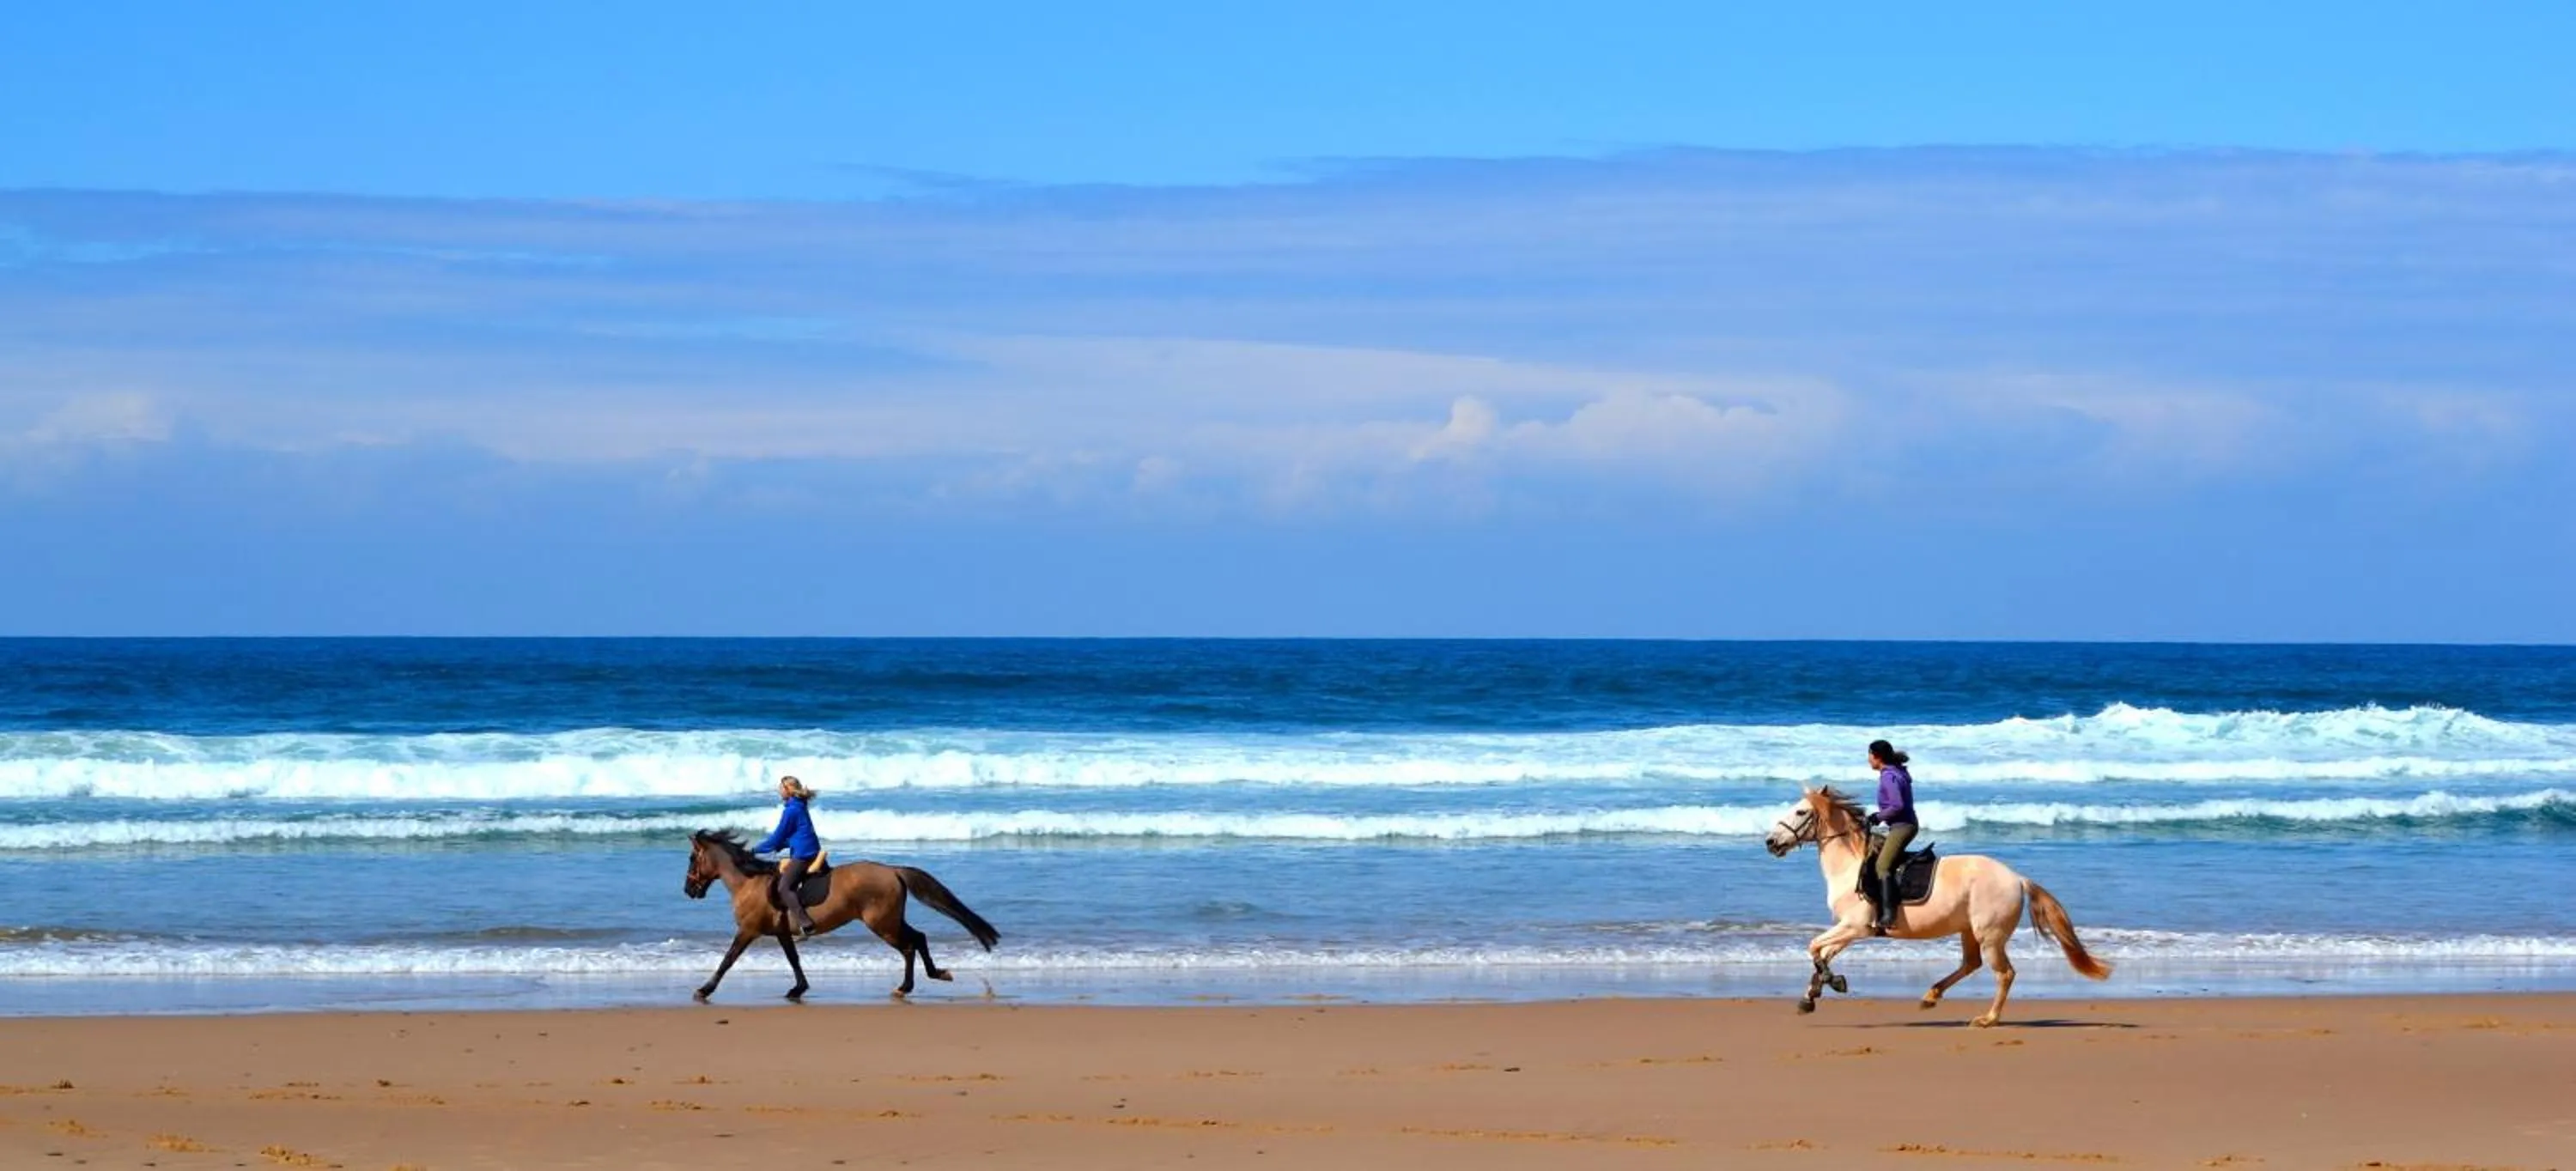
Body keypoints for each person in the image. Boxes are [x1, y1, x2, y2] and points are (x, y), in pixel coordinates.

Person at [750, 775, 822, 939]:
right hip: (809, 848)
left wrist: (755, 850)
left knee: (784, 887)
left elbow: (777, 837)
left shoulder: (791, 810)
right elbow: (794, 835)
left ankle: (806, 925)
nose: (779, 790)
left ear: (788, 790)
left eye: (781, 787)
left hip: (804, 853)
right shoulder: (798, 806)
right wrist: (781, 845)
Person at [1862, 740, 1917, 934]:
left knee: (1882, 865)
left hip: (1902, 827)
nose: (1868, 759)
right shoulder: (1896, 772)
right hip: (1899, 825)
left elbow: (1897, 806)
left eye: (1869, 755)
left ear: (1876, 756)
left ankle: (1889, 916)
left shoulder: (1889, 776)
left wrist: (1877, 817)